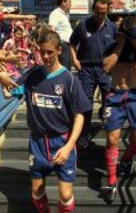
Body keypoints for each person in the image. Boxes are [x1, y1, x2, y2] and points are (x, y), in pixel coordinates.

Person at [11, 30, 91, 213]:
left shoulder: (70, 80)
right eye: (42, 51)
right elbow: (12, 89)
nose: (45, 56)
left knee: (65, 194)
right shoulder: (32, 75)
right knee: (37, 191)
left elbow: (80, 115)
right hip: (38, 142)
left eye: (50, 52)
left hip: (62, 141)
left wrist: (69, 146)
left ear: (58, 51)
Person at [102, 17, 136, 203]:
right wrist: (121, 44)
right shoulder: (113, 43)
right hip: (115, 94)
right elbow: (106, 66)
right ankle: (111, 180)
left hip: (135, 94)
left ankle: (126, 159)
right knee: (111, 139)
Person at [70, 0, 120, 148]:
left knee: (110, 100)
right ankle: (83, 136)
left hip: (105, 70)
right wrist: (74, 59)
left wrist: (113, 62)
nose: (100, 15)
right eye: (98, 12)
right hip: (86, 69)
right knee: (86, 104)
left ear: (107, 11)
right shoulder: (83, 25)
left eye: (103, 12)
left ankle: (106, 122)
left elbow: (119, 47)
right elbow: (72, 43)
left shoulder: (112, 28)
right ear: (93, 10)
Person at [49, 0, 73, 70]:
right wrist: (57, 44)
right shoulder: (55, 13)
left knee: (68, 67)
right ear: (63, 2)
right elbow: (51, 29)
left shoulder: (66, 15)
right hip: (62, 45)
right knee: (64, 68)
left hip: (68, 45)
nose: (71, 4)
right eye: (69, 2)